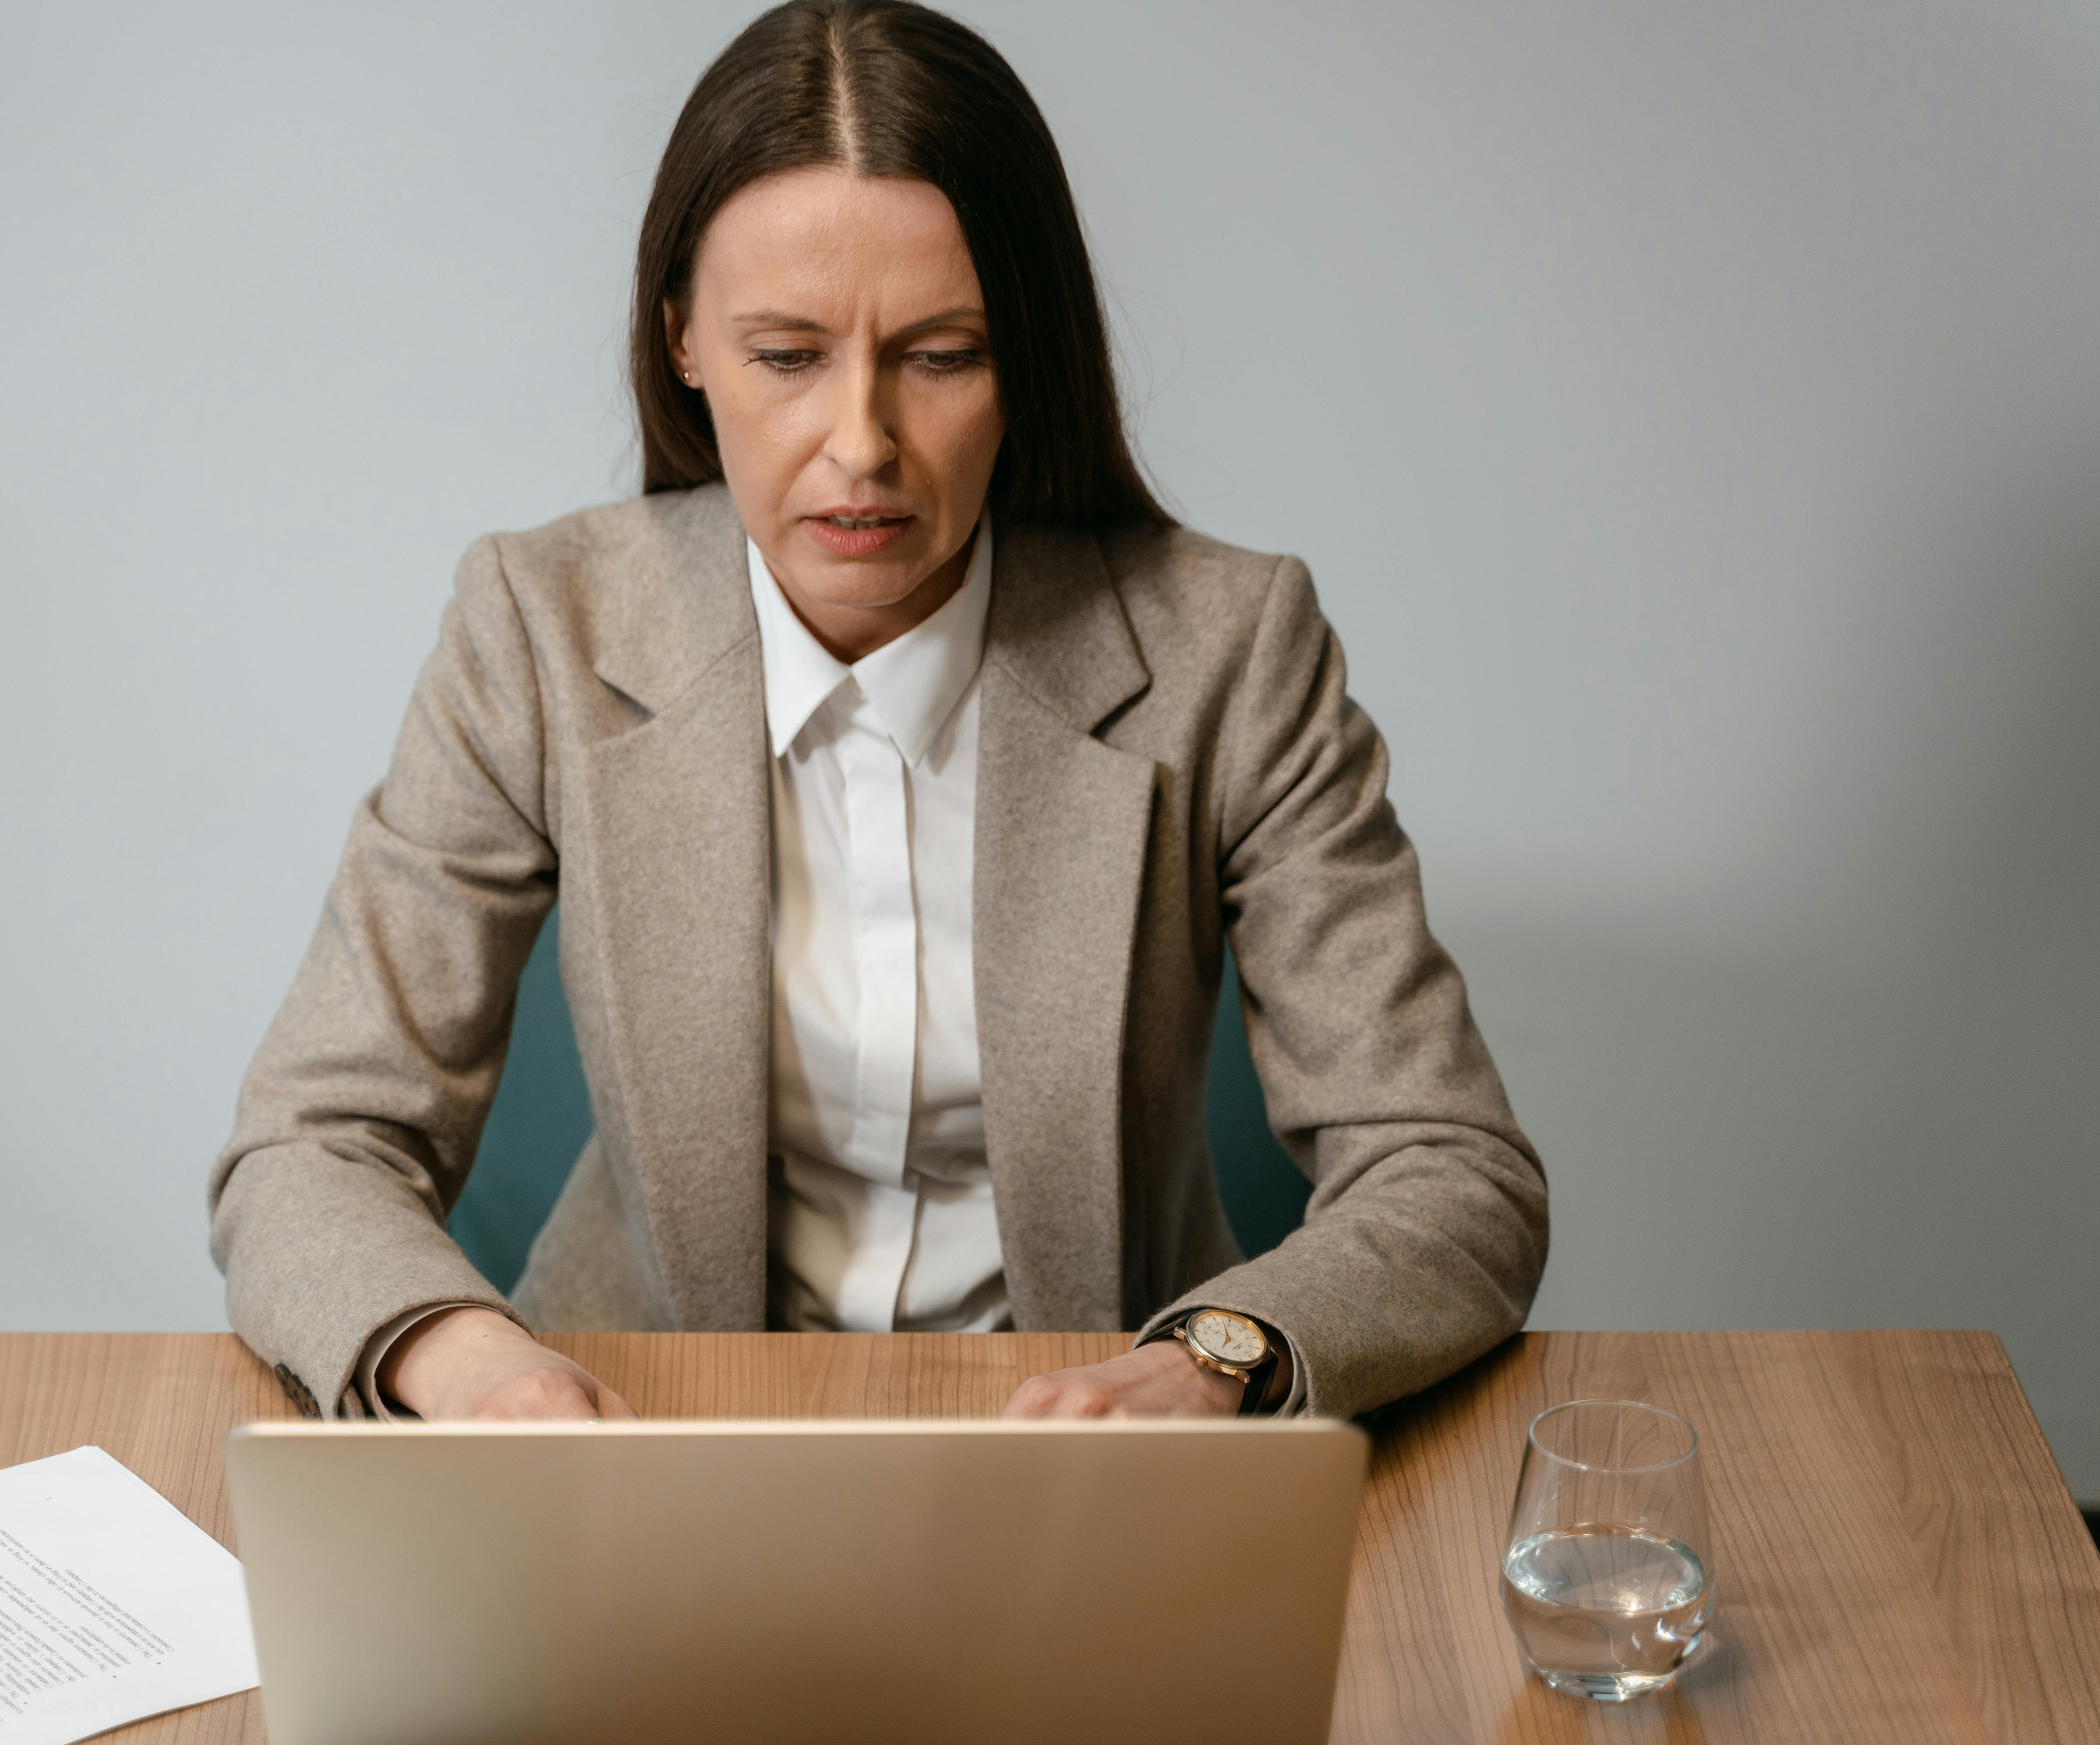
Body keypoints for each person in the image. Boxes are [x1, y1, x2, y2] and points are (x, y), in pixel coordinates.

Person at [209, 0, 1546, 1425]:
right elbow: (309, 1143)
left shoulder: (1232, 647)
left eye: (943, 354)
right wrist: (473, 1366)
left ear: (1026, 355)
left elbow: (1453, 1171)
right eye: (787, 356)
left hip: (1091, 1464)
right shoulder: (540, 628)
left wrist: (1206, 1363)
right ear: (684, 344)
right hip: (638, 1432)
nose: (862, 445)